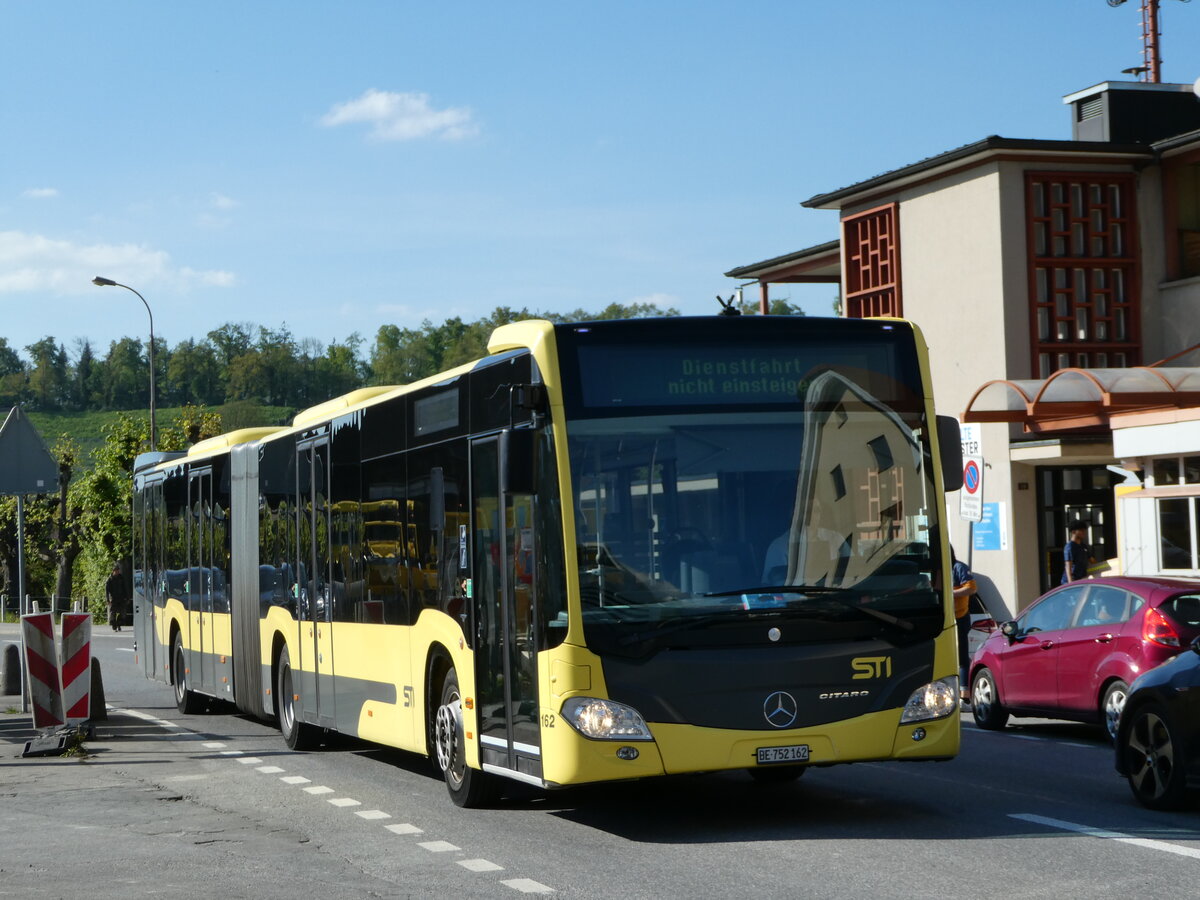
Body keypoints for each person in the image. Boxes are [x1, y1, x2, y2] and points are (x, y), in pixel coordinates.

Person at [951, 547, 977, 702]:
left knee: (961, 657)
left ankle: (964, 696)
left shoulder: (958, 567)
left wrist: (951, 593)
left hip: (959, 617)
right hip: (944, 618)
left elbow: (972, 588)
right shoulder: (937, 569)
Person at [105, 564, 129, 632]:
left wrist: (127, 597)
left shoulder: (121, 578)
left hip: (121, 598)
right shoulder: (109, 579)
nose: (117, 572)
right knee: (113, 613)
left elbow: (125, 588)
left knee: (123, 613)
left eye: (118, 570)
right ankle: (114, 625)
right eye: (116, 570)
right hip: (113, 598)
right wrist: (107, 599)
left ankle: (119, 623)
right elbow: (106, 590)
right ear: (113, 571)